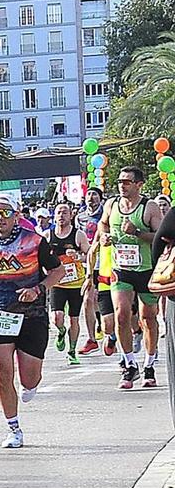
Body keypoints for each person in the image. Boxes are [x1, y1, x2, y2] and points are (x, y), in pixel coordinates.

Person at [0, 194, 66, 448]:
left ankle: (29, 385)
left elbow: (58, 271)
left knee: (30, 378)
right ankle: (13, 428)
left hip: (31, 315)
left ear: (17, 215)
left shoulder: (35, 241)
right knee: (2, 373)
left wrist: (38, 289)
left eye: (5, 213)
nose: (0, 218)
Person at [97, 165, 162, 390]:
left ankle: (149, 365)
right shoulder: (112, 204)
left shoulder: (149, 207)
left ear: (139, 185)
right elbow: (103, 223)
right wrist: (104, 235)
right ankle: (129, 364)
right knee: (122, 314)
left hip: (146, 270)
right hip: (121, 269)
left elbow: (161, 237)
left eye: (127, 182)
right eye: (119, 181)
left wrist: (137, 232)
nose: (122, 186)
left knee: (148, 317)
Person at [46, 199, 91, 364]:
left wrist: (79, 256)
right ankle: (61, 331)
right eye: (58, 212)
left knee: (74, 318)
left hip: (75, 283)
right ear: (54, 216)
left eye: (65, 212)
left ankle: (72, 351)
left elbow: (90, 255)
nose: (61, 215)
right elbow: (39, 257)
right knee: (57, 317)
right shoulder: (47, 235)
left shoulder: (78, 235)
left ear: (71, 215)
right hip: (57, 282)